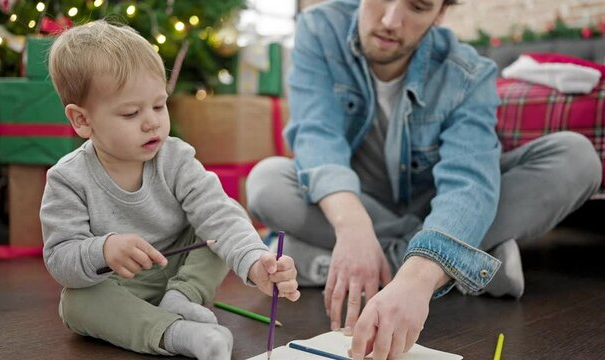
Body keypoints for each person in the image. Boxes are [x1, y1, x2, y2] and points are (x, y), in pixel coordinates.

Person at [246, 0, 602, 359]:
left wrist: (418, 277)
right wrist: (353, 228)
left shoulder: (469, 72)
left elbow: (469, 182)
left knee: (577, 157)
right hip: (359, 204)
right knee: (266, 181)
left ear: (441, 13)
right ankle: (467, 264)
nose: (390, 21)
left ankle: (402, 262)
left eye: (417, 6)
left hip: (440, 207)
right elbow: (317, 136)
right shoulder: (318, 29)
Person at [40, 20, 300, 359]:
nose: (151, 122)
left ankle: (181, 300)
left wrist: (255, 263)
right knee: (75, 303)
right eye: (131, 113)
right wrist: (102, 250)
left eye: (159, 105)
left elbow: (219, 214)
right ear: (82, 121)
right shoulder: (67, 179)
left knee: (219, 224)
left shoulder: (175, 157)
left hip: (182, 272)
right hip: (119, 287)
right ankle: (173, 333)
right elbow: (60, 258)